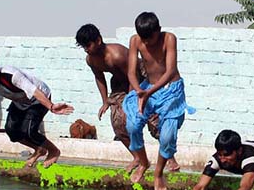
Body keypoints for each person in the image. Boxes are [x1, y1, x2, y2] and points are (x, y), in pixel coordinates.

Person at [75, 23, 179, 172]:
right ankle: (138, 157)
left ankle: (170, 158)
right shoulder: (91, 60)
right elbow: (99, 78)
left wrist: (133, 101)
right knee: (118, 123)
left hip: (141, 78)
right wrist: (105, 101)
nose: (86, 49)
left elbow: (133, 75)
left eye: (88, 45)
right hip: (119, 83)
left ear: (98, 40)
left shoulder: (116, 55)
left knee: (152, 119)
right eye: (83, 46)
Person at [123, 12, 192, 190]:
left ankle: (158, 173)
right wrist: (139, 92)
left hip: (171, 90)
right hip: (146, 89)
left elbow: (170, 71)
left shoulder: (169, 38)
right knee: (132, 125)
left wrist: (149, 93)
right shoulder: (135, 41)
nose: (147, 43)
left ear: (158, 31)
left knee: (167, 136)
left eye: (150, 39)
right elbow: (131, 72)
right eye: (143, 39)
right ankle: (143, 162)